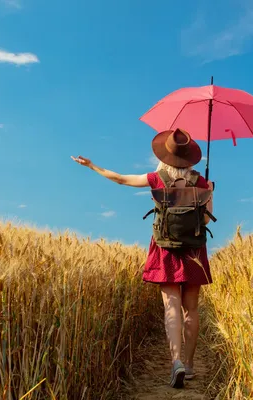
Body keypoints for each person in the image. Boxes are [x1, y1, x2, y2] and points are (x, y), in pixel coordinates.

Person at [71, 128, 214, 389]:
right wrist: (209, 192)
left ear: (165, 154)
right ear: (190, 157)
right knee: (191, 308)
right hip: (194, 249)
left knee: (171, 305)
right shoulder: (202, 184)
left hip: (165, 248)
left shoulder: (156, 178)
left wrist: (92, 166)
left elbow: (121, 179)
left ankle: (176, 363)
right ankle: (190, 365)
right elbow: (205, 220)